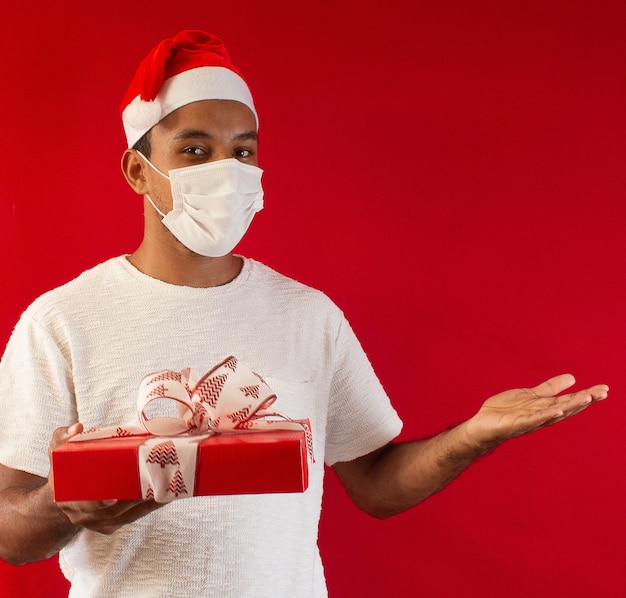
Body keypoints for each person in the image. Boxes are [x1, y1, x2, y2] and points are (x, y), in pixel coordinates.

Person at [0, 30, 608, 598]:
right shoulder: (61, 322)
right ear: (138, 170)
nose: (227, 172)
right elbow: (8, 530)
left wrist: (472, 435)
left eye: (243, 152)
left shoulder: (308, 316)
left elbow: (376, 484)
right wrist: (64, 502)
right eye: (195, 150)